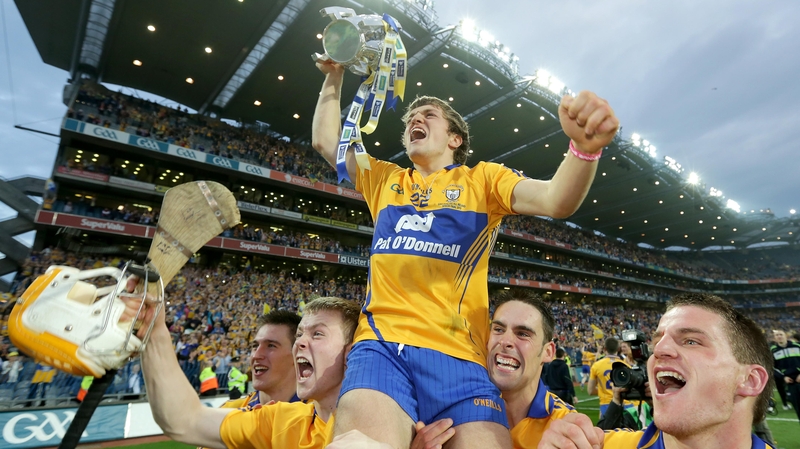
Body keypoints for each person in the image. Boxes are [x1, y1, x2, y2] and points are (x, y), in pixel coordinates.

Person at [312, 58, 619, 448]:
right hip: (381, 348)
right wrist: (333, 77)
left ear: (455, 138)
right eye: (410, 118)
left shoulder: (483, 181)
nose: (414, 121)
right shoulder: (385, 179)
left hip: (459, 358)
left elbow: (555, 199)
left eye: (428, 115)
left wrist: (584, 150)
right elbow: (326, 141)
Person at [539, 293, 776, 449]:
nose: (659, 350)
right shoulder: (599, 445)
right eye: (657, 341)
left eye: (691, 341)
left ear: (750, 380)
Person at [130, 290, 360, 449]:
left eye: (317, 334)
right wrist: (154, 329)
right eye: (299, 334)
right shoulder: (280, 420)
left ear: (351, 354)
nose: (300, 343)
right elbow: (184, 420)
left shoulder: (381, 427)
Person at [224, 310, 302, 408]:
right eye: (255, 346)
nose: (256, 355)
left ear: (298, 355)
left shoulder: (319, 417)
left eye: (271, 346)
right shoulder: (229, 413)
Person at [588, 337, 623, 418]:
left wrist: (602, 390)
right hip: (624, 404)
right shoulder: (625, 365)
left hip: (606, 404)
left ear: (604, 349)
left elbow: (590, 390)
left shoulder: (597, 365)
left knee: (605, 430)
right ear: (618, 349)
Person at [771, 328, 800, 422]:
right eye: (777, 335)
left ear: (786, 335)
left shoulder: (797, 346)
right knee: (798, 408)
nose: (779, 336)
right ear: (774, 338)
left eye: (781, 334)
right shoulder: (773, 351)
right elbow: (772, 367)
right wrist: (783, 377)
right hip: (790, 383)